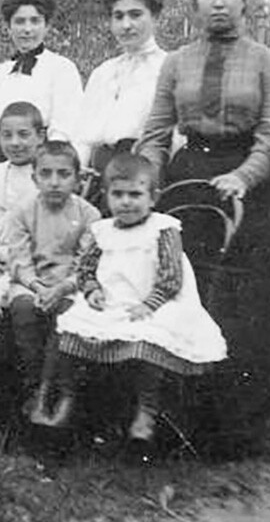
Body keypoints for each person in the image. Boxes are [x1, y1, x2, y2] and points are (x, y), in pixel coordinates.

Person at [136, 0, 270, 457]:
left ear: (245, 0)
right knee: (188, 296)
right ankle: (184, 417)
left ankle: (248, 426)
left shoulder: (266, 62)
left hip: (249, 195)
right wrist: (148, 176)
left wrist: (242, 176)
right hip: (189, 187)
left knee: (245, 309)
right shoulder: (175, 63)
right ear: (193, 2)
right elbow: (154, 133)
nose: (218, 3)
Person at [42, 154, 227, 444]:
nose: (126, 202)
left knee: (145, 340)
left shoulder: (162, 229)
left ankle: (147, 410)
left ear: (153, 198)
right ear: (107, 197)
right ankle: (67, 399)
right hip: (112, 302)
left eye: (135, 195)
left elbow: (171, 276)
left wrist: (149, 304)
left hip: (158, 301)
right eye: (118, 195)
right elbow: (85, 269)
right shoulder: (103, 231)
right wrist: (93, 290)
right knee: (67, 329)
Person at [0, 141, 101, 417]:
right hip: (30, 282)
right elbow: (19, 258)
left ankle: (57, 389)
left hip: (70, 285)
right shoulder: (22, 212)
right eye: (46, 174)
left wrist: (62, 287)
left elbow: (86, 261)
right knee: (23, 309)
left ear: (78, 179)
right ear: (34, 178)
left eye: (63, 174)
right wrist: (36, 286)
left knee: (67, 315)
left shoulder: (89, 215)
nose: (54, 182)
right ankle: (34, 385)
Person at [75, 0, 169, 201]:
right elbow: (83, 135)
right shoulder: (103, 72)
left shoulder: (168, 68)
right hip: (99, 178)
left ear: (155, 17)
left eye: (136, 15)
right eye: (118, 17)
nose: (126, 25)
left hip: (143, 176)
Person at [0, 0, 84, 167]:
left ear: (46, 26)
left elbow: (65, 127)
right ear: (9, 27)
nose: (27, 29)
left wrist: (51, 167)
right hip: (3, 162)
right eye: (20, 21)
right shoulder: (0, 73)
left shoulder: (62, 69)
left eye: (35, 21)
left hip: (44, 161)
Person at [0, 101, 47, 256]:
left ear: (40, 136)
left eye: (23, 135)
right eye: (7, 135)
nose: (15, 143)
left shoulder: (48, 176)